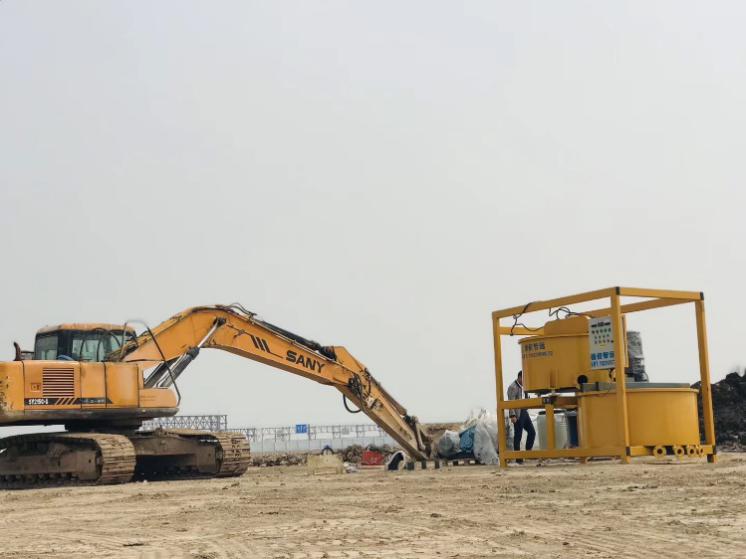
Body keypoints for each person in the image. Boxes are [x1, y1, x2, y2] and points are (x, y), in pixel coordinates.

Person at [507, 370, 535, 463]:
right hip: (517, 413)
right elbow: (510, 402)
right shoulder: (513, 387)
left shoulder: (524, 387)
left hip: (524, 412)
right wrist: (512, 415)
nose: (525, 380)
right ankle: (518, 459)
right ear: (519, 377)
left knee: (532, 432)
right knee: (518, 436)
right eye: (524, 378)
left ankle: (528, 453)